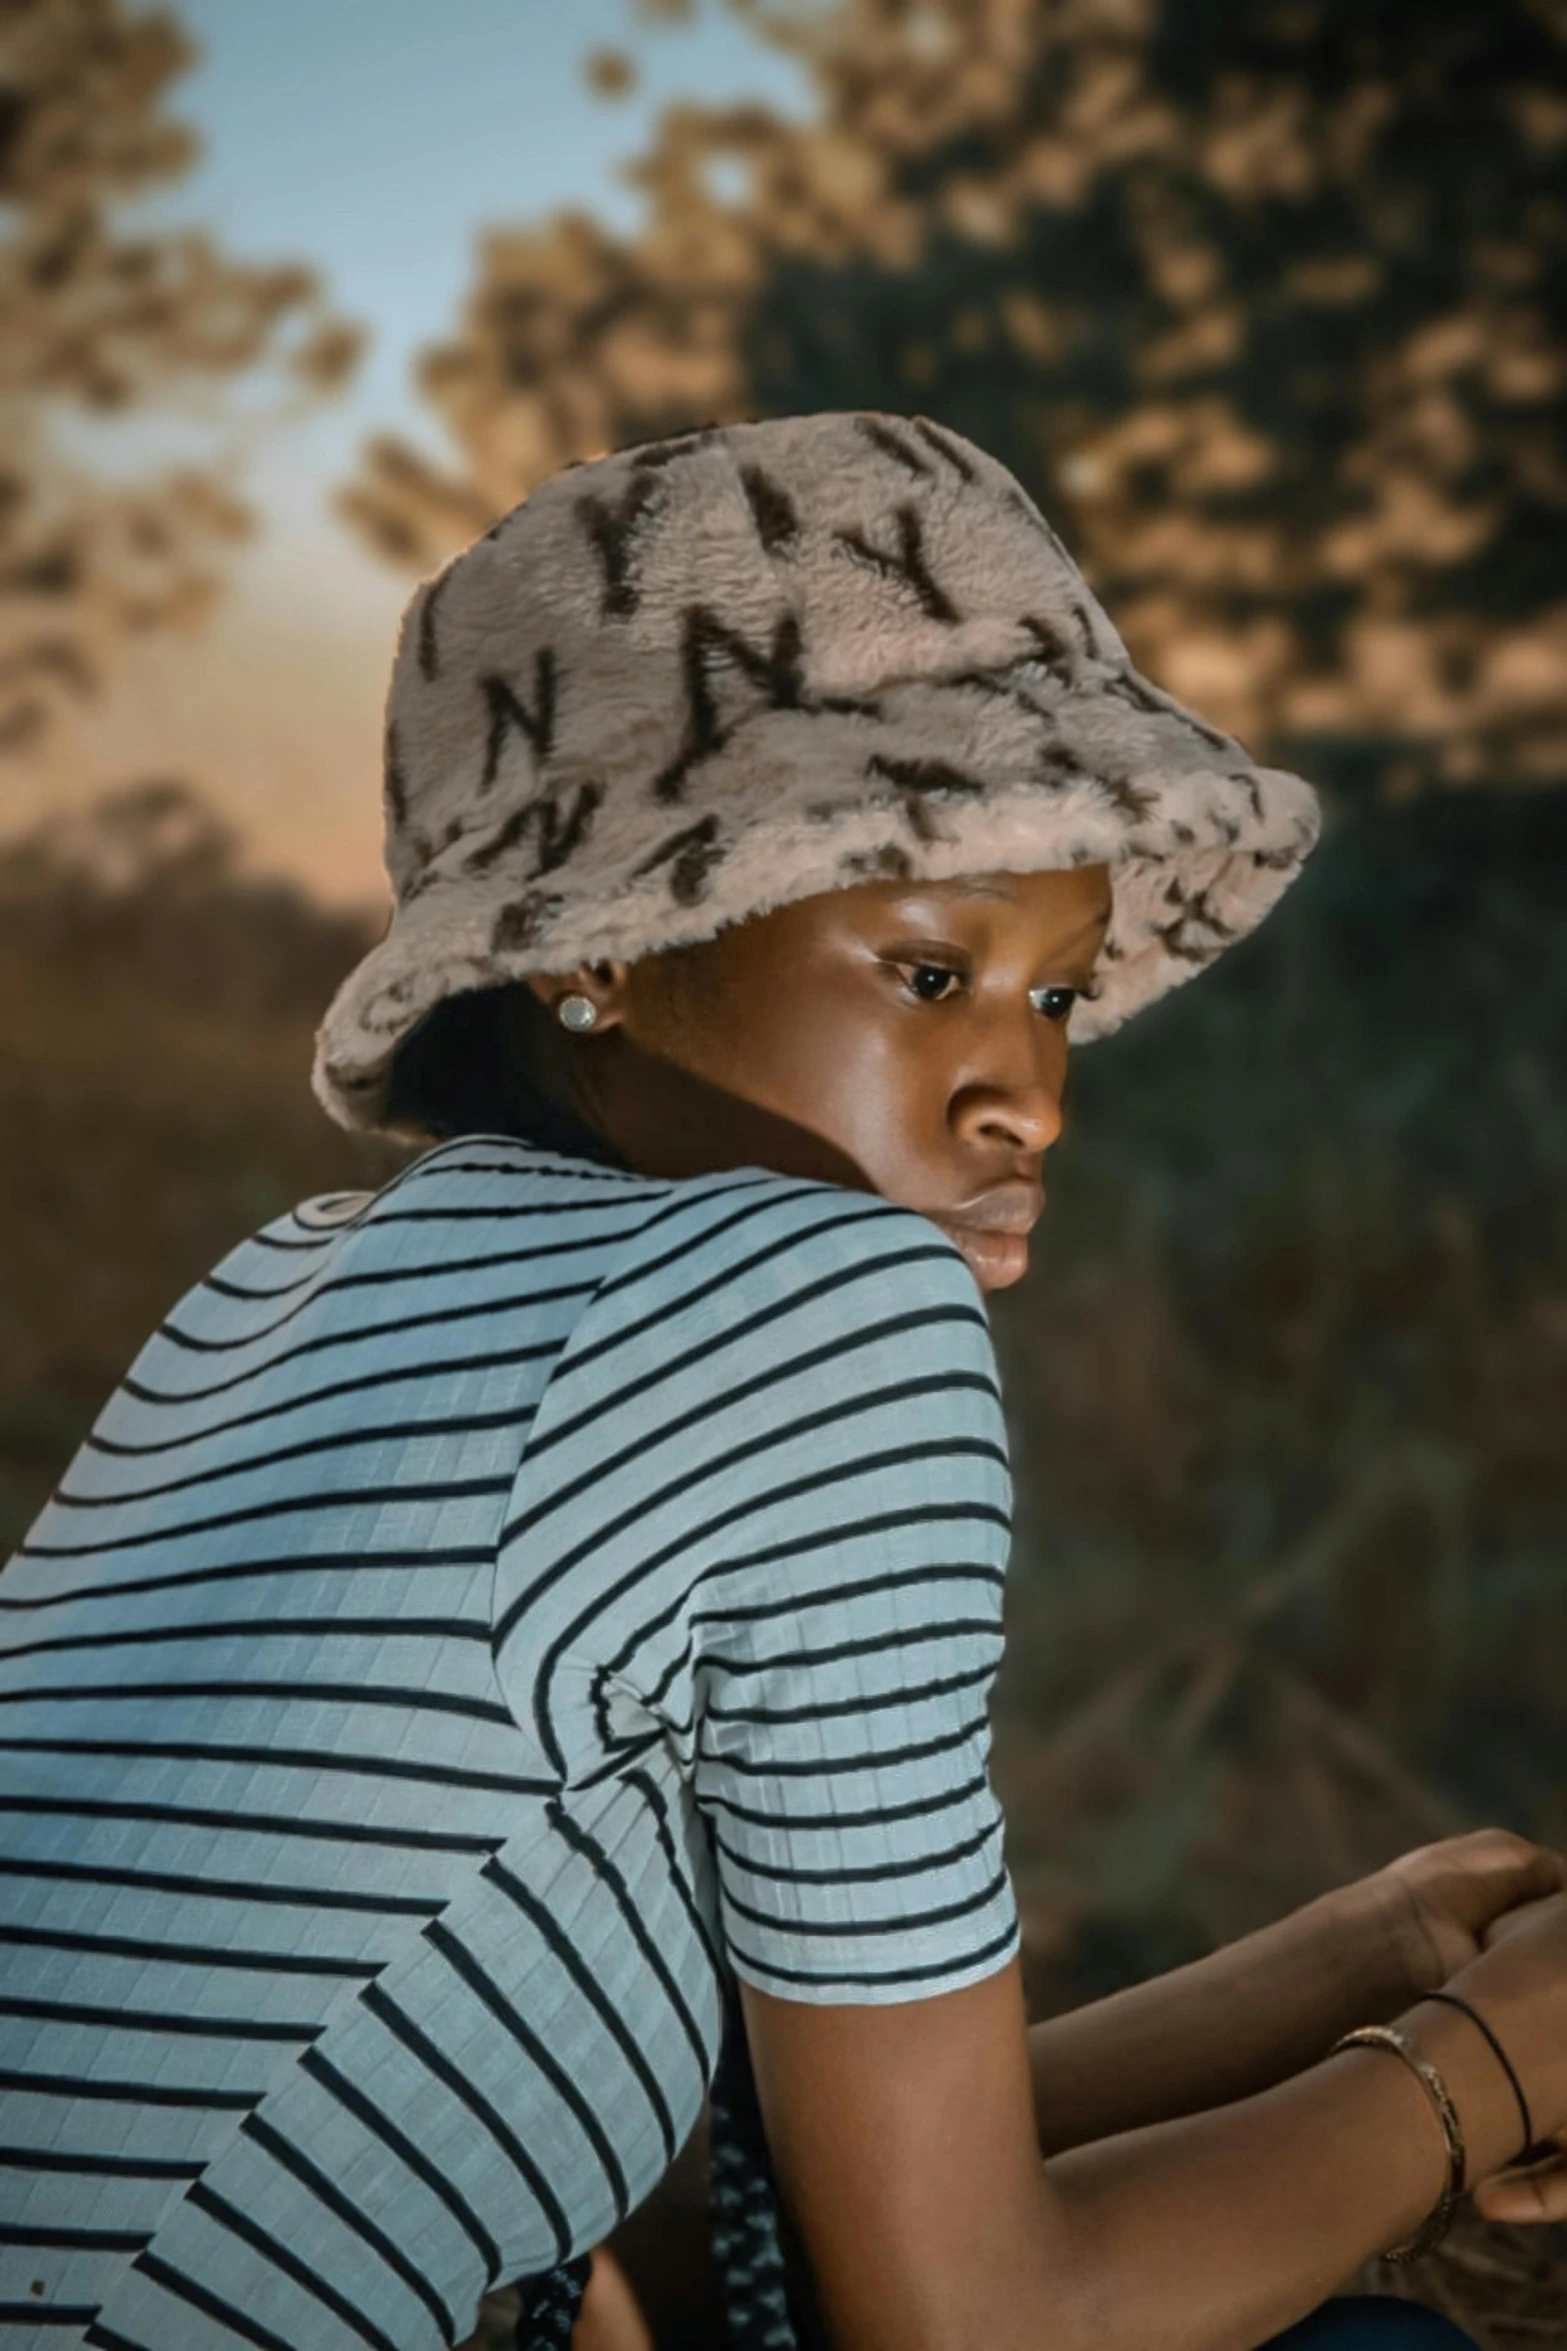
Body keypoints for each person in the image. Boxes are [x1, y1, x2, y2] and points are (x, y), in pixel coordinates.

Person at [0, 411, 1562, 2351]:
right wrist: (1479, 2063)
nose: (1036, 1090)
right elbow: (968, 2316)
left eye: (1056, 991)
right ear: (601, 956)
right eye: (929, 970)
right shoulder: (824, 1300)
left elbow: (735, 2211)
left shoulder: (281, 1296)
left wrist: (1352, 1958)